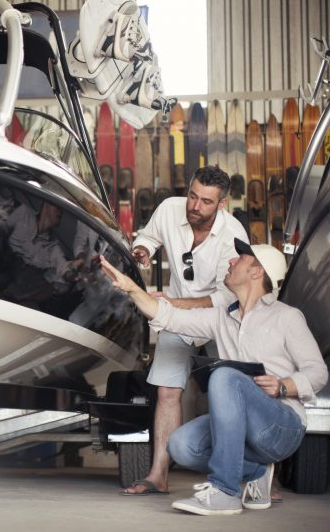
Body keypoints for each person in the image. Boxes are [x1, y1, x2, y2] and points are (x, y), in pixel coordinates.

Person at [100, 241, 327, 515]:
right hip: (242, 431)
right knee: (180, 445)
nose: (231, 262)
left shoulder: (287, 317)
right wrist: (132, 288)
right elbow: (169, 317)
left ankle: (225, 491)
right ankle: (256, 472)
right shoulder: (220, 317)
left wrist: (283, 386)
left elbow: (318, 373)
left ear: (256, 273)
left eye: (241, 259)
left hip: (281, 426)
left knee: (224, 376)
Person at [122, 166, 248, 495]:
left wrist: (174, 304)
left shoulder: (233, 233)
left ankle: (251, 477)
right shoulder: (168, 209)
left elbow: (228, 295)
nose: (195, 206)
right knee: (166, 392)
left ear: (222, 204)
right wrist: (143, 251)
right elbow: (149, 237)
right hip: (178, 317)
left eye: (206, 202)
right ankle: (158, 475)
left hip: (222, 320)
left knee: (233, 395)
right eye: (193, 195)